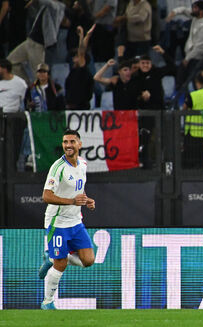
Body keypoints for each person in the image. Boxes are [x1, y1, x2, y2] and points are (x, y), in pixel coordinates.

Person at [38, 129, 96, 310]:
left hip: (75, 221)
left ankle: (52, 256)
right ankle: (47, 302)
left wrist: (86, 200)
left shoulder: (83, 165)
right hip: (58, 222)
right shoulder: (58, 167)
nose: (68, 145)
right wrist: (71, 201)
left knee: (88, 260)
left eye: (72, 141)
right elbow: (46, 196)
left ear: (79, 144)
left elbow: (78, 191)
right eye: (65, 142)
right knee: (60, 264)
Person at [6, 0, 66, 83]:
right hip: (30, 41)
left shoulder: (58, 6)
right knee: (10, 62)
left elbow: (48, 3)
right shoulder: (46, 5)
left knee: (39, 74)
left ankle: (44, 94)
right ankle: (27, 85)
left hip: (38, 45)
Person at [167, 0, 203, 89]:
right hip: (191, 57)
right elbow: (184, 10)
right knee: (181, 76)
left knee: (199, 83)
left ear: (202, 11)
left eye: (195, 8)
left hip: (199, 59)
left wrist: (187, 59)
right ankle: (181, 97)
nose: (192, 10)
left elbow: (200, 47)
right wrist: (174, 12)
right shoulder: (196, 17)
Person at [65, 25, 96, 110]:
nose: (73, 58)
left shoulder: (84, 71)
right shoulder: (73, 72)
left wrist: (84, 36)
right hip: (70, 108)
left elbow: (81, 52)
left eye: (76, 56)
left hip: (81, 109)